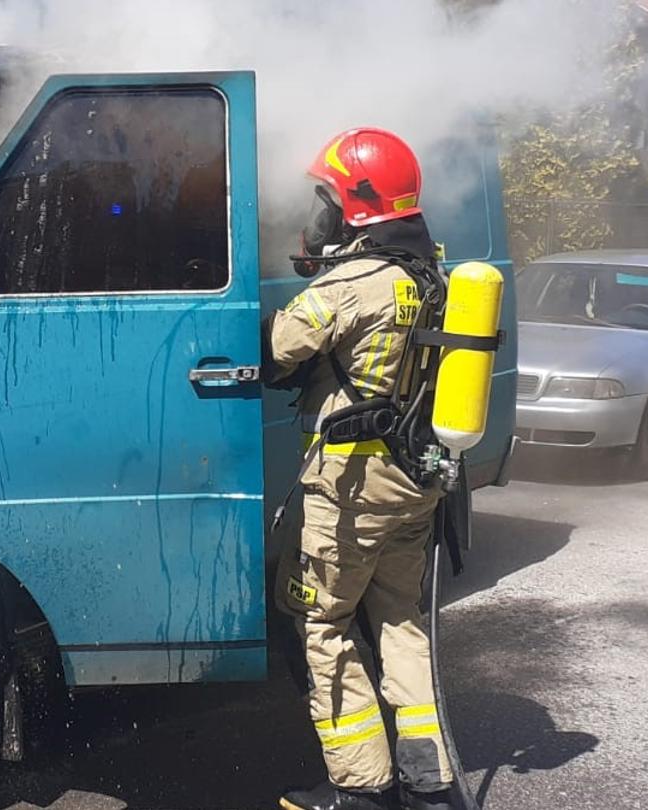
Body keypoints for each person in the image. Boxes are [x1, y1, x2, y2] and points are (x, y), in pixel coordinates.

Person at [267, 127, 454, 810]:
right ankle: (429, 781)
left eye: (327, 198)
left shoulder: (352, 284)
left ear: (356, 206)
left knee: (320, 622)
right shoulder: (431, 275)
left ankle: (362, 786)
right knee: (400, 620)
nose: (320, 212)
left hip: (350, 489)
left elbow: (276, 348)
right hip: (414, 482)